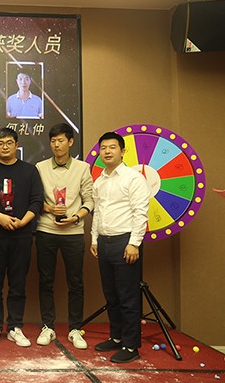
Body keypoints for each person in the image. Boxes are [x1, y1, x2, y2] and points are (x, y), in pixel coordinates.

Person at [0, 127, 43, 348]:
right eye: (0, 143)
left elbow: (37, 201)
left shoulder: (29, 171)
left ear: (16, 145)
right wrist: (0, 217)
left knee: (18, 284)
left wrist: (23, 222)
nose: (5, 147)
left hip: (21, 235)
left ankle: (15, 327)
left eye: (9, 143)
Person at [90, 131, 150, 363]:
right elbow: (97, 212)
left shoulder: (134, 178)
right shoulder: (99, 180)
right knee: (111, 295)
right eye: (103, 148)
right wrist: (94, 239)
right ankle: (116, 337)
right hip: (104, 243)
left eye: (112, 147)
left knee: (128, 296)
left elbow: (140, 213)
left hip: (125, 243)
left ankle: (131, 345)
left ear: (123, 151)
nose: (107, 151)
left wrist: (134, 243)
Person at [34, 123, 94, 349]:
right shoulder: (40, 167)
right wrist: (48, 209)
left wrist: (76, 217)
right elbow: (34, 199)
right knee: (45, 280)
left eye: (61, 141)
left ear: (70, 142)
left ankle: (75, 329)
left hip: (73, 231)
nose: (56, 145)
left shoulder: (83, 168)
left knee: (75, 281)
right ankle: (47, 326)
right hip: (46, 230)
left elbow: (90, 200)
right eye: (53, 141)